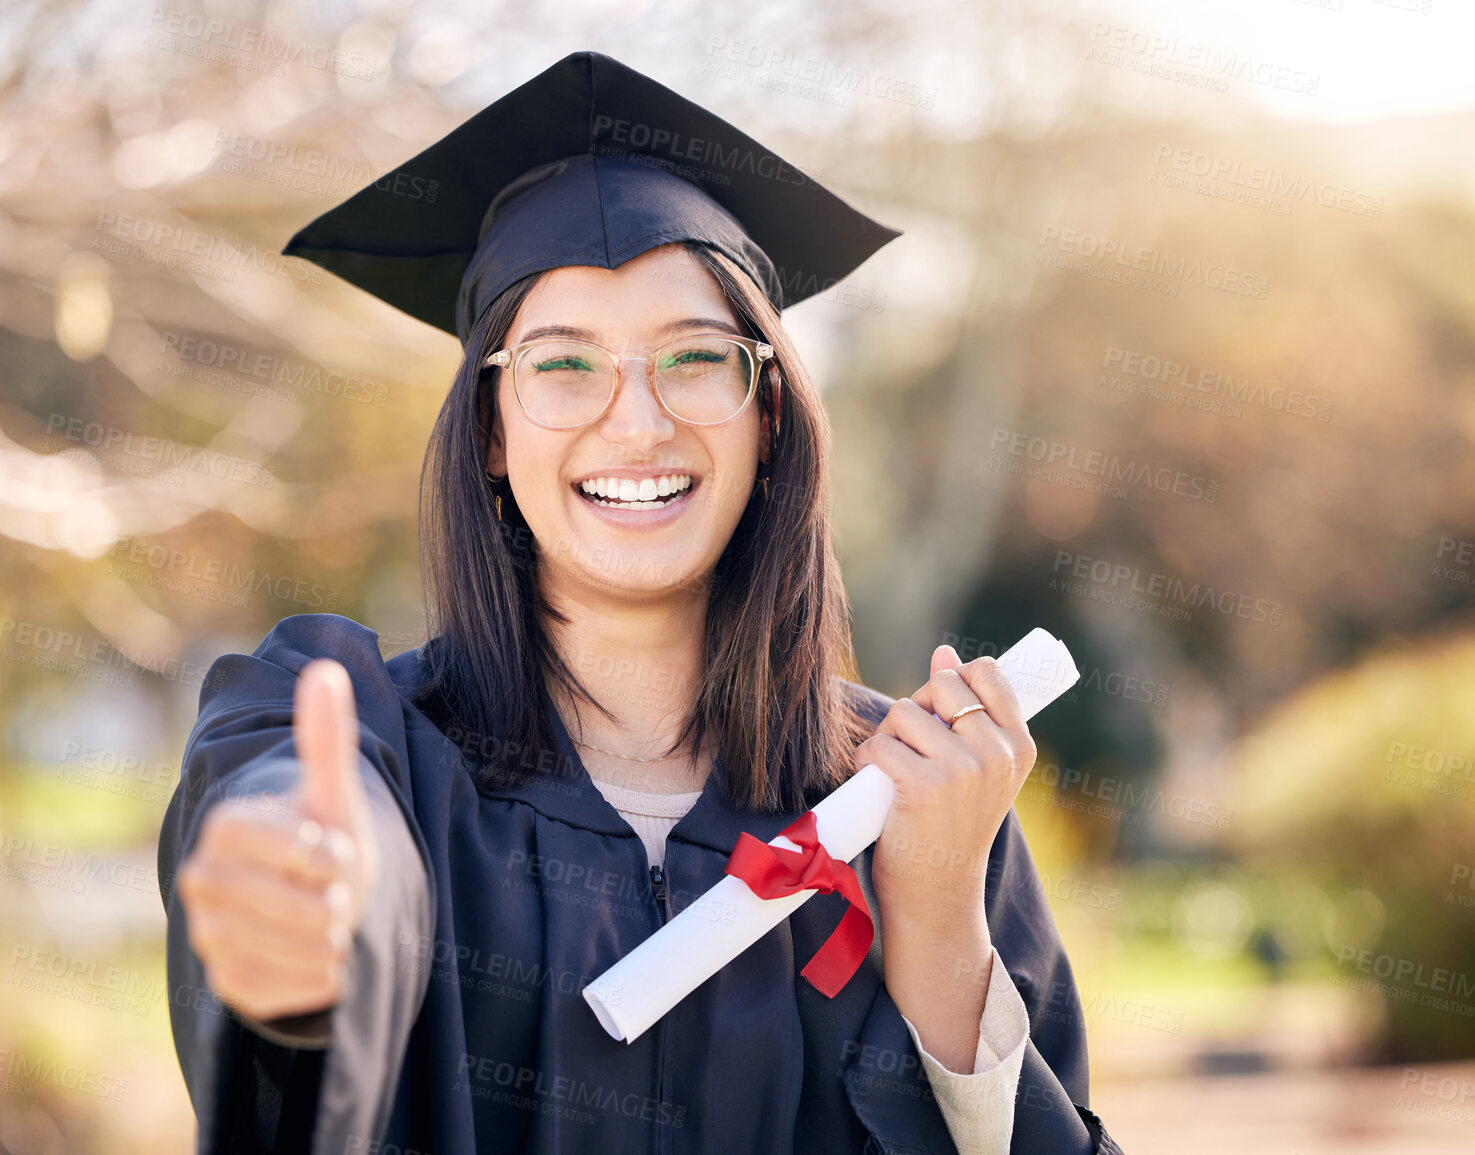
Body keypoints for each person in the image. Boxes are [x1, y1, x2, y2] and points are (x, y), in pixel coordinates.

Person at [159, 51, 1124, 1155]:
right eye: (564, 366)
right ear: (489, 429)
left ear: (767, 416)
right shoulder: (374, 748)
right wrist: (302, 902)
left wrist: (943, 926)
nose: (637, 425)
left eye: (696, 358)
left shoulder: (916, 803)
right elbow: (292, 812)